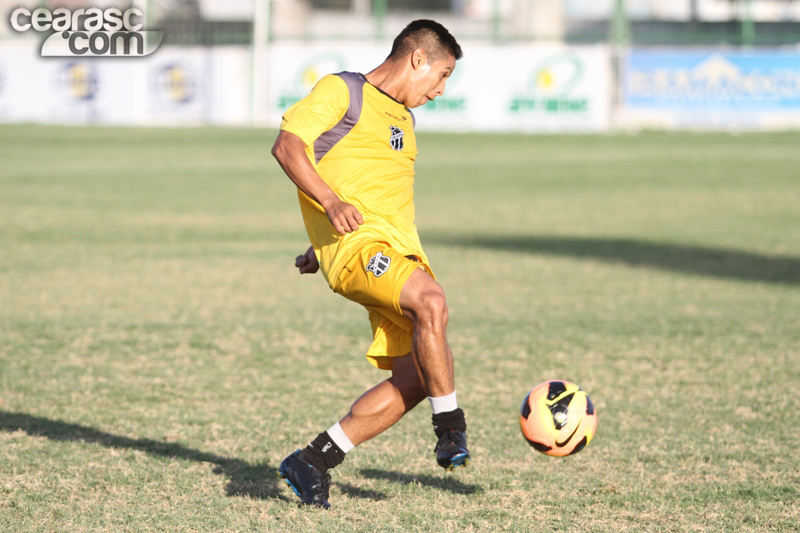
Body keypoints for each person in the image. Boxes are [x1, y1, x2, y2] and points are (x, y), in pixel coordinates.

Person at [271, 19, 467, 510]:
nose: (441, 90)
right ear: (418, 58)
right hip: (359, 249)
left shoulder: (404, 119)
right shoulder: (344, 91)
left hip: (397, 253)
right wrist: (329, 207)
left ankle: (313, 460)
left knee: (417, 380)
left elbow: (365, 187)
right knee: (432, 301)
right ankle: (451, 429)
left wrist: (317, 245)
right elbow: (288, 145)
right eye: (442, 75)